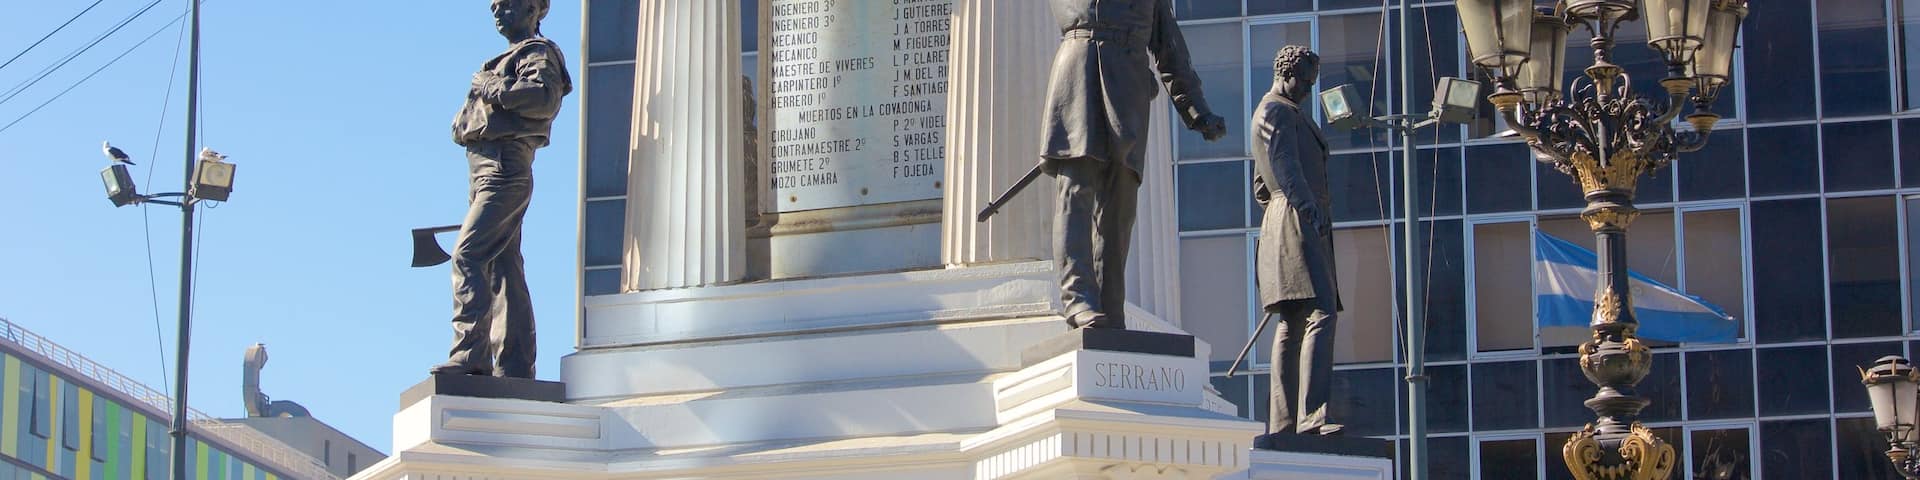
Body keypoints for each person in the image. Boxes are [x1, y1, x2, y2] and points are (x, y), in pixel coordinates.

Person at [1040, 0, 1227, 329]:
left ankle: (1111, 307)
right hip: (1081, 72)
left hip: (1129, 86)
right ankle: (1078, 297)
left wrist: (1196, 110)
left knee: (1121, 207)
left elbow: (1170, 50)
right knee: (1076, 191)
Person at [432, 0, 572, 378]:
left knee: (468, 255)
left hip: (504, 167)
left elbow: (542, 99)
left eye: (508, 5)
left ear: (533, 10)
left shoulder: (536, 53)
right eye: (495, 6)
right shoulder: (502, 60)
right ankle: (513, 366)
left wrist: (492, 87)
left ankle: (470, 354)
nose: (498, 12)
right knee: (502, 267)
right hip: (483, 170)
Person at [1250, 45, 1341, 438]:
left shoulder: (1278, 112)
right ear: (1286, 72)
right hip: (1298, 220)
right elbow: (1284, 168)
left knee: (1293, 320)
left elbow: (1259, 187)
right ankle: (1311, 416)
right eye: (1303, 80)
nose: (1306, 88)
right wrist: (1307, 208)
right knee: (1321, 313)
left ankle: (1287, 422)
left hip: (1285, 219)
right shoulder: (1276, 112)